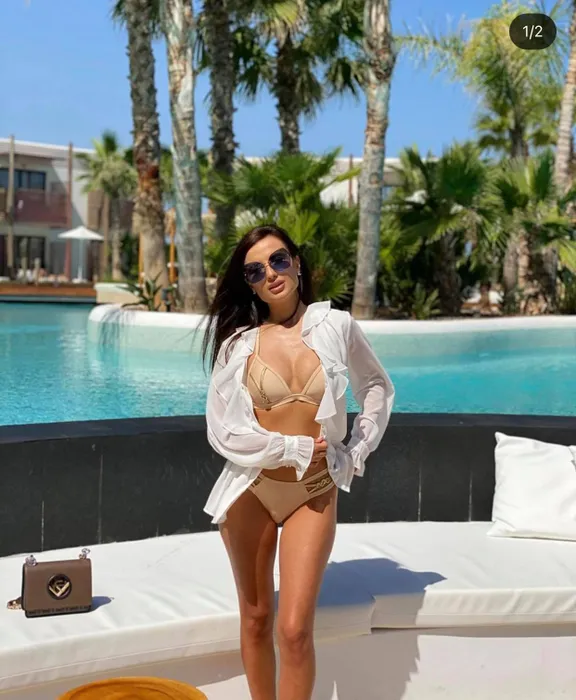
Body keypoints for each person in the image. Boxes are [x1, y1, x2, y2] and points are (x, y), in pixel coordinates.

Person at [201, 224, 395, 700]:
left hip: (313, 489)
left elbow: (376, 386)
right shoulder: (237, 345)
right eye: (255, 270)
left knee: (293, 630)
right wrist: (294, 449)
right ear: (249, 285)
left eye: (278, 260)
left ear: (297, 263)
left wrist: (358, 447)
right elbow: (222, 431)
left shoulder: (336, 326)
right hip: (251, 488)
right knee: (255, 618)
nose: (270, 273)